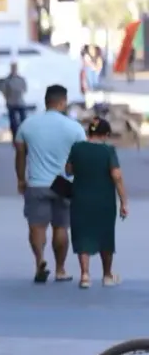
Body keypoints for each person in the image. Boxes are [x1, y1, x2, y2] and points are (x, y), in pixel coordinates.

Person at [15, 84, 86, 284]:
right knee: (61, 227)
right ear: (63, 102)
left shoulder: (27, 125)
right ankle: (60, 269)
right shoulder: (74, 127)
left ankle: (40, 261)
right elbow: (81, 158)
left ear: (46, 101)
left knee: (37, 227)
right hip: (64, 184)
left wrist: (21, 179)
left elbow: (20, 155)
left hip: (37, 183)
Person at [65, 118, 128, 288]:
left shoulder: (77, 148)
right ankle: (107, 275)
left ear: (89, 132)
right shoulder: (108, 151)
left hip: (80, 199)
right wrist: (124, 201)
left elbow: (68, 170)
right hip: (104, 200)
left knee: (82, 235)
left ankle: (85, 275)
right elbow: (117, 176)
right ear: (106, 134)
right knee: (105, 235)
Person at [0, 62, 28, 139]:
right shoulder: (7, 80)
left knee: (23, 120)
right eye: (13, 68)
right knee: (13, 122)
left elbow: (24, 89)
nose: (14, 69)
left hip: (20, 102)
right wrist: (7, 99)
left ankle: (23, 136)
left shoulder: (21, 79)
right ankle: (15, 136)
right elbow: (4, 91)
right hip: (11, 103)